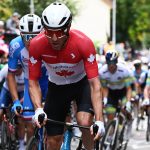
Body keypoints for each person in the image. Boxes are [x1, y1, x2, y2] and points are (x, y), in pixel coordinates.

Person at [28, 2, 105, 150]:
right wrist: (38, 109)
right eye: (49, 33)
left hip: (81, 84)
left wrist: (100, 121)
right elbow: (33, 82)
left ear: (68, 28)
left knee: (84, 122)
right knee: (52, 141)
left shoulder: (83, 43)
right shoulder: (37, 45)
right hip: (57, 88)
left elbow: (95, 84)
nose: (54, 38)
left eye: (59, 32)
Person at [7, 14, 47, 149]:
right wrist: (16, 100)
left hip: (49, 83)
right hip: (30, 83)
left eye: (34, 36)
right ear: (20, 33)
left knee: (56, 123)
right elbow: (11, 75)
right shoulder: (15, 45)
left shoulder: (49, 43)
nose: (30, 41)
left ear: (42, 33)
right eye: (26, 36)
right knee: (30, 125)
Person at [99, 50, 132, 121]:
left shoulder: (124, 70)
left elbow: (128, 88)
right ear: (106, 62)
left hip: (123, 91)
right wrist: (105, 98)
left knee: (124, 109)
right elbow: (104, 88)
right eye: (109, 63)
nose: (111, 65)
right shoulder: (102, 72)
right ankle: (113, 129)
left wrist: (128, 102)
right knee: (110, 114)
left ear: (116, 62)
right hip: (111, 93)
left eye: (113, 63)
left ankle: (127, 119)